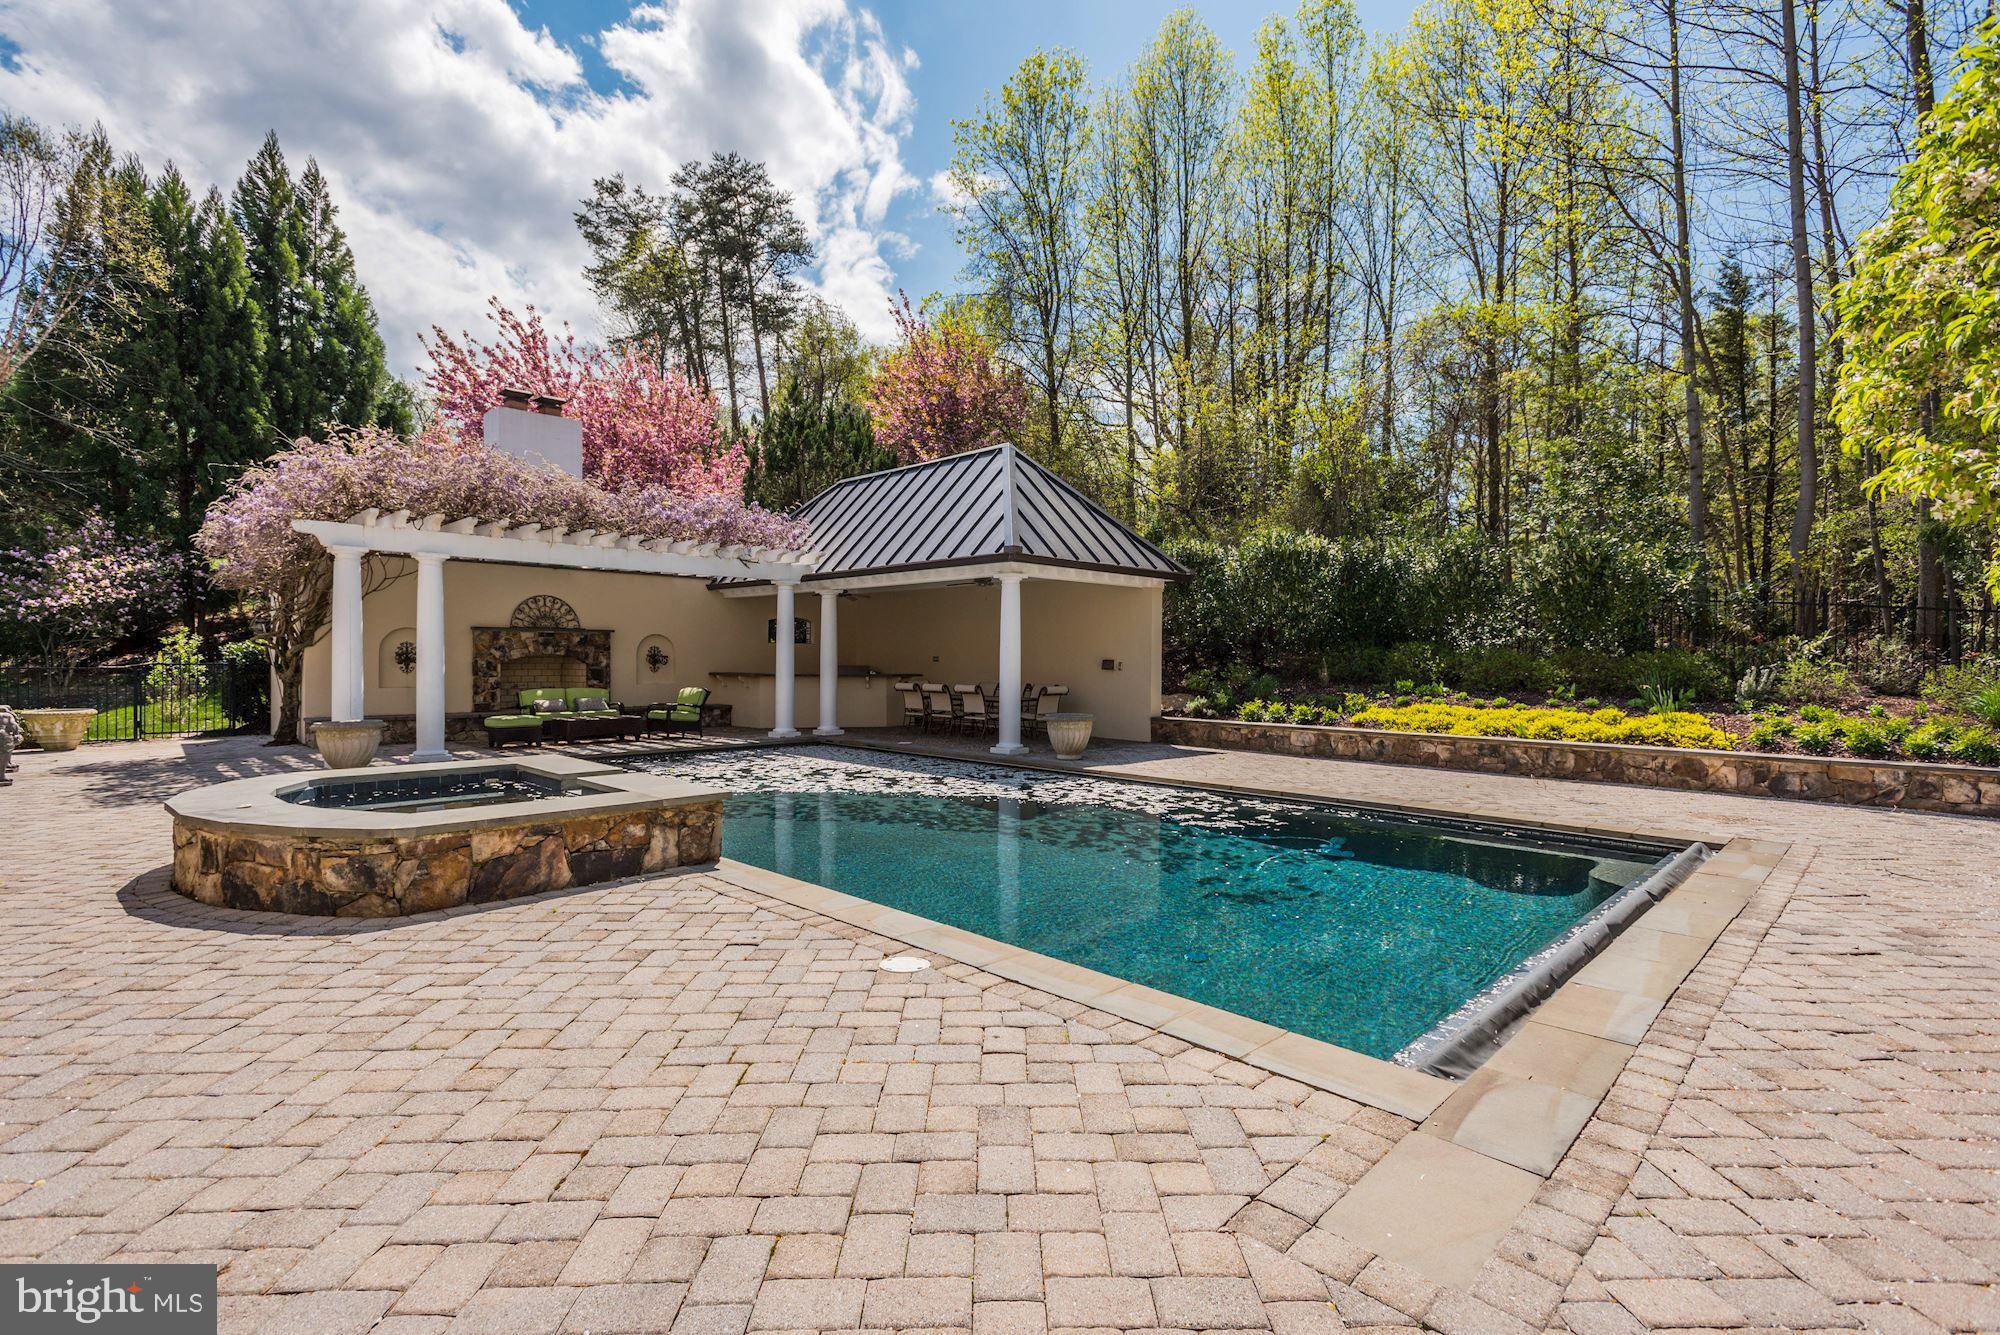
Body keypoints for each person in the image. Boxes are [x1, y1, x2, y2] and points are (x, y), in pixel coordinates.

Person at [0, 704, 20, 785]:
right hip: (3, 735)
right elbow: (14, 726)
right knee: (5, 755)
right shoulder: (7, 716)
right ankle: (1, 776)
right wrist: (16, 734)